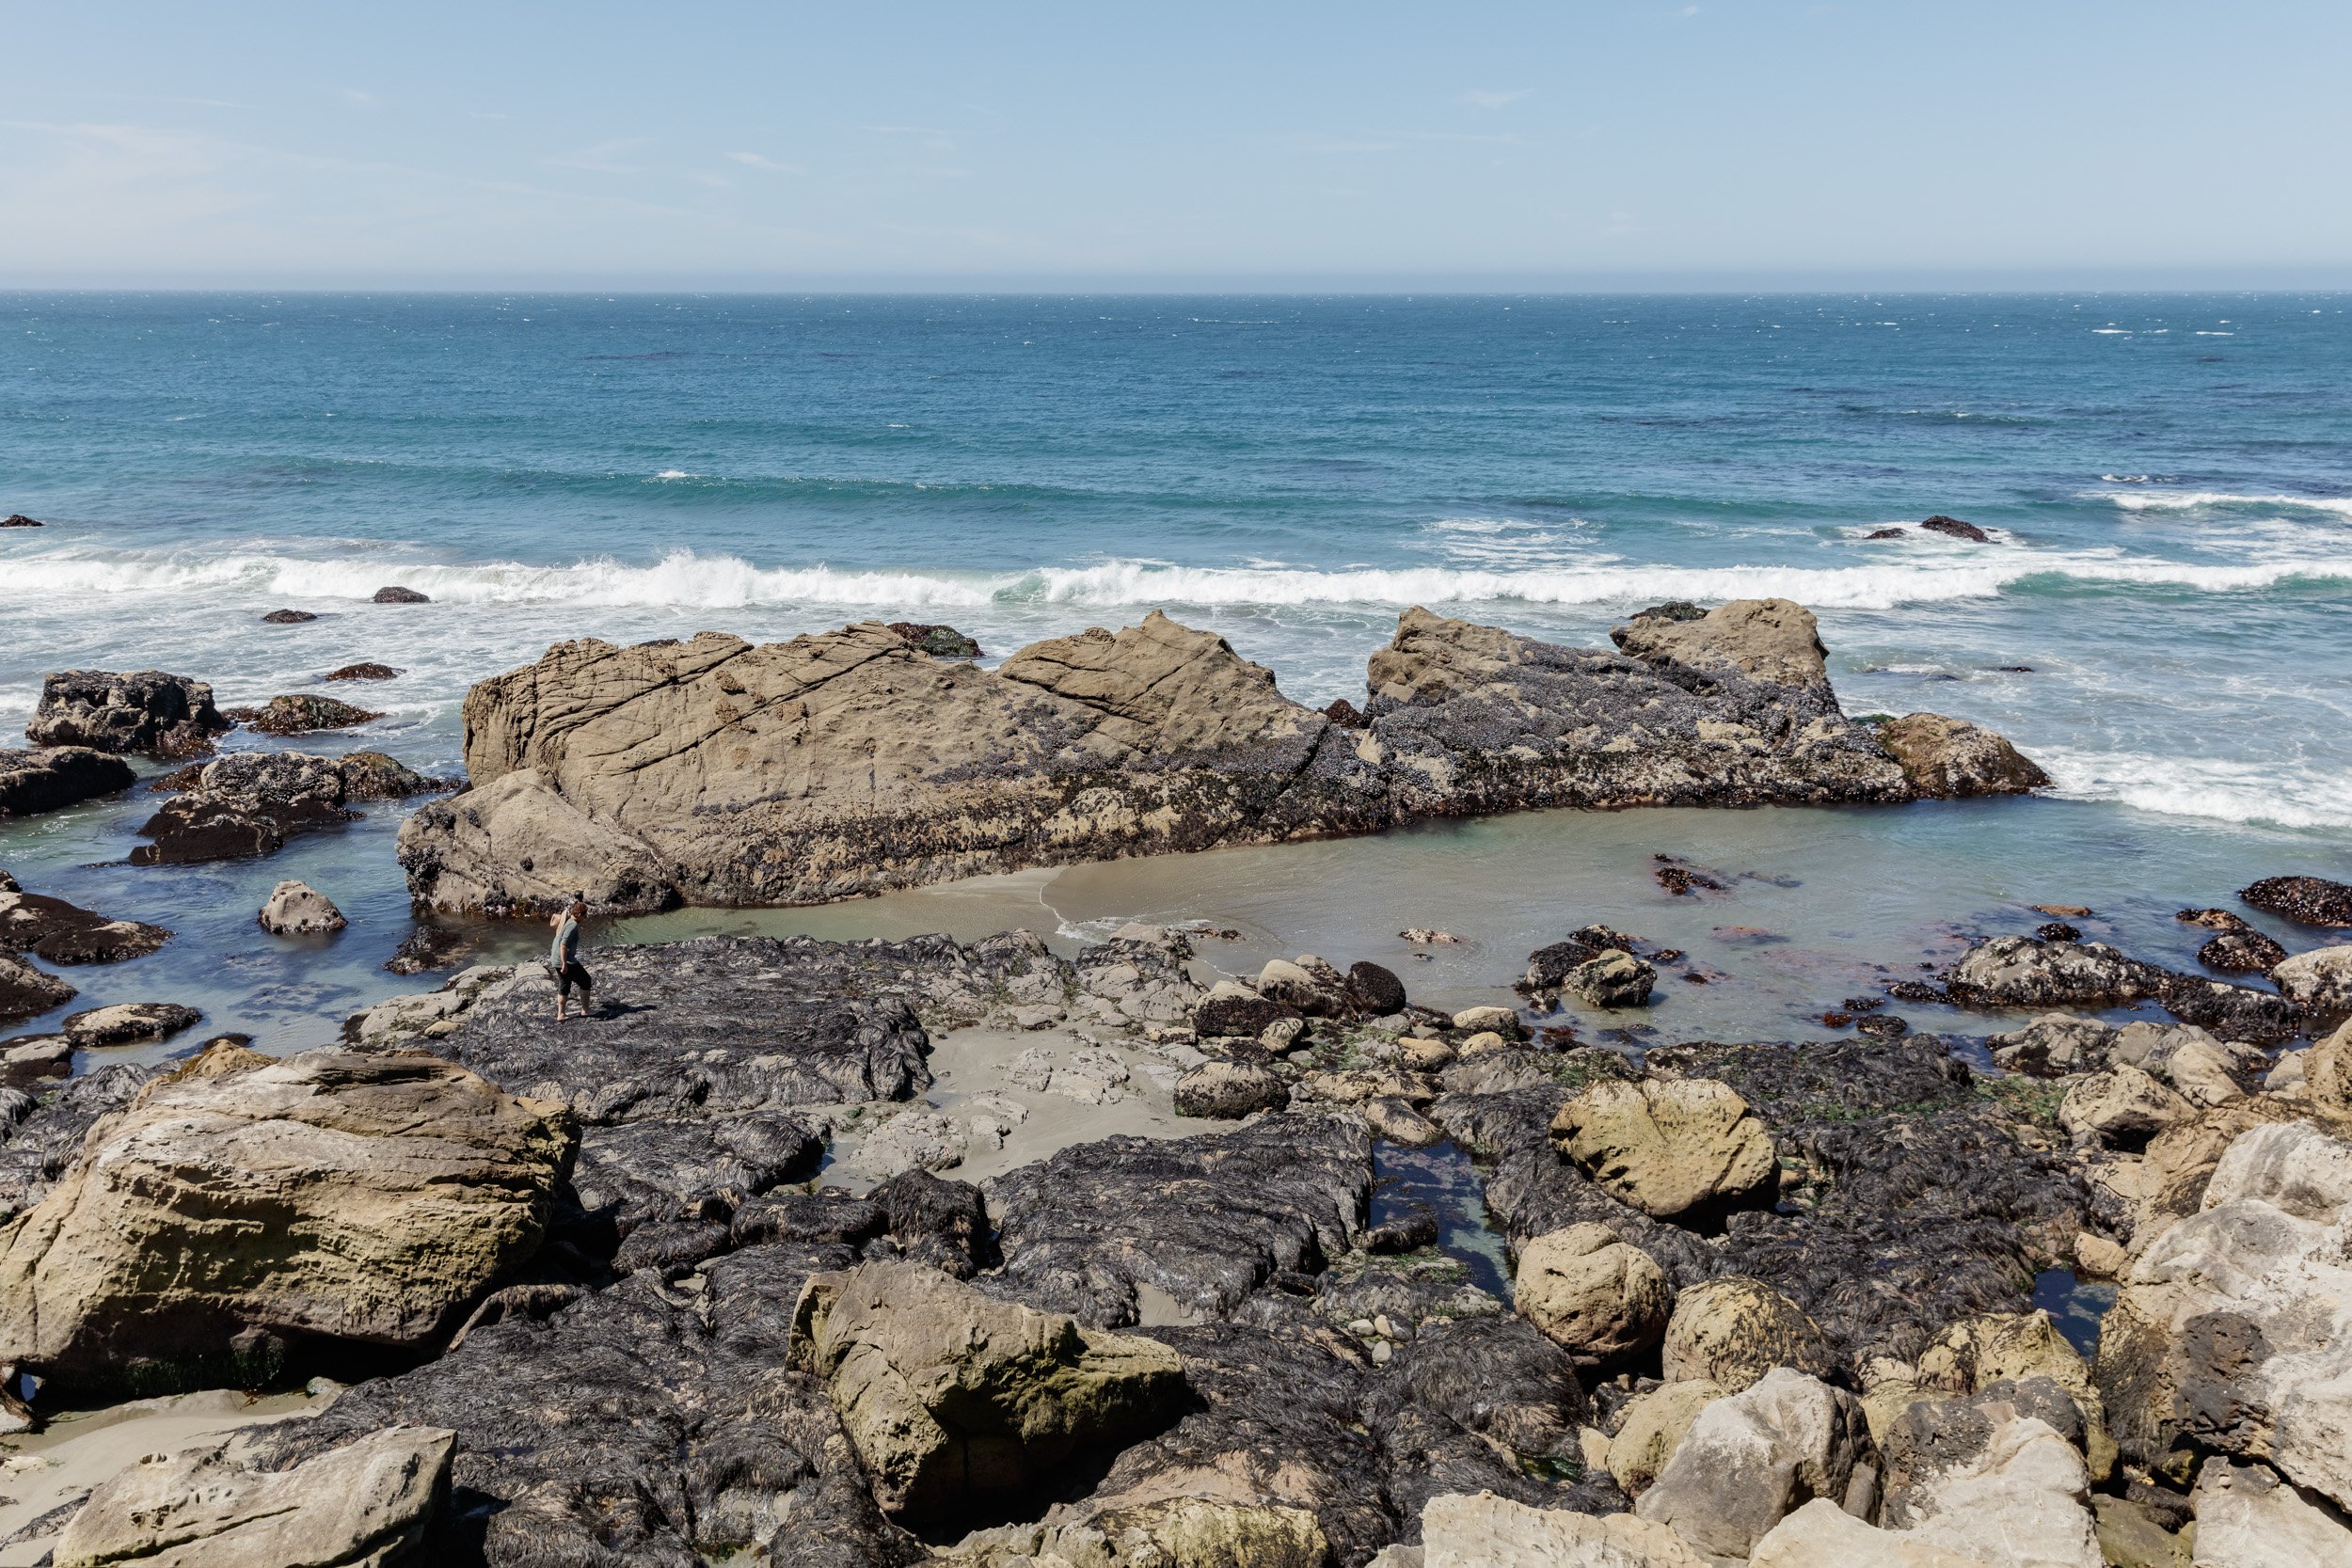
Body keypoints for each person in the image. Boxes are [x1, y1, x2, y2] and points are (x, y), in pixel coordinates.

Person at [549, 894, 593, 1022]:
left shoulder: (567, 922)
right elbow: (563, 945)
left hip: (555, 959)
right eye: (585, 915)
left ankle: (561, 1014)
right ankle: (585, 1010)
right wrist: (564, 963)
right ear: (579, 915)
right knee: (585, 980)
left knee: (564, 985)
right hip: (564, 960)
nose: (586, 917)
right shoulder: (572, 925)